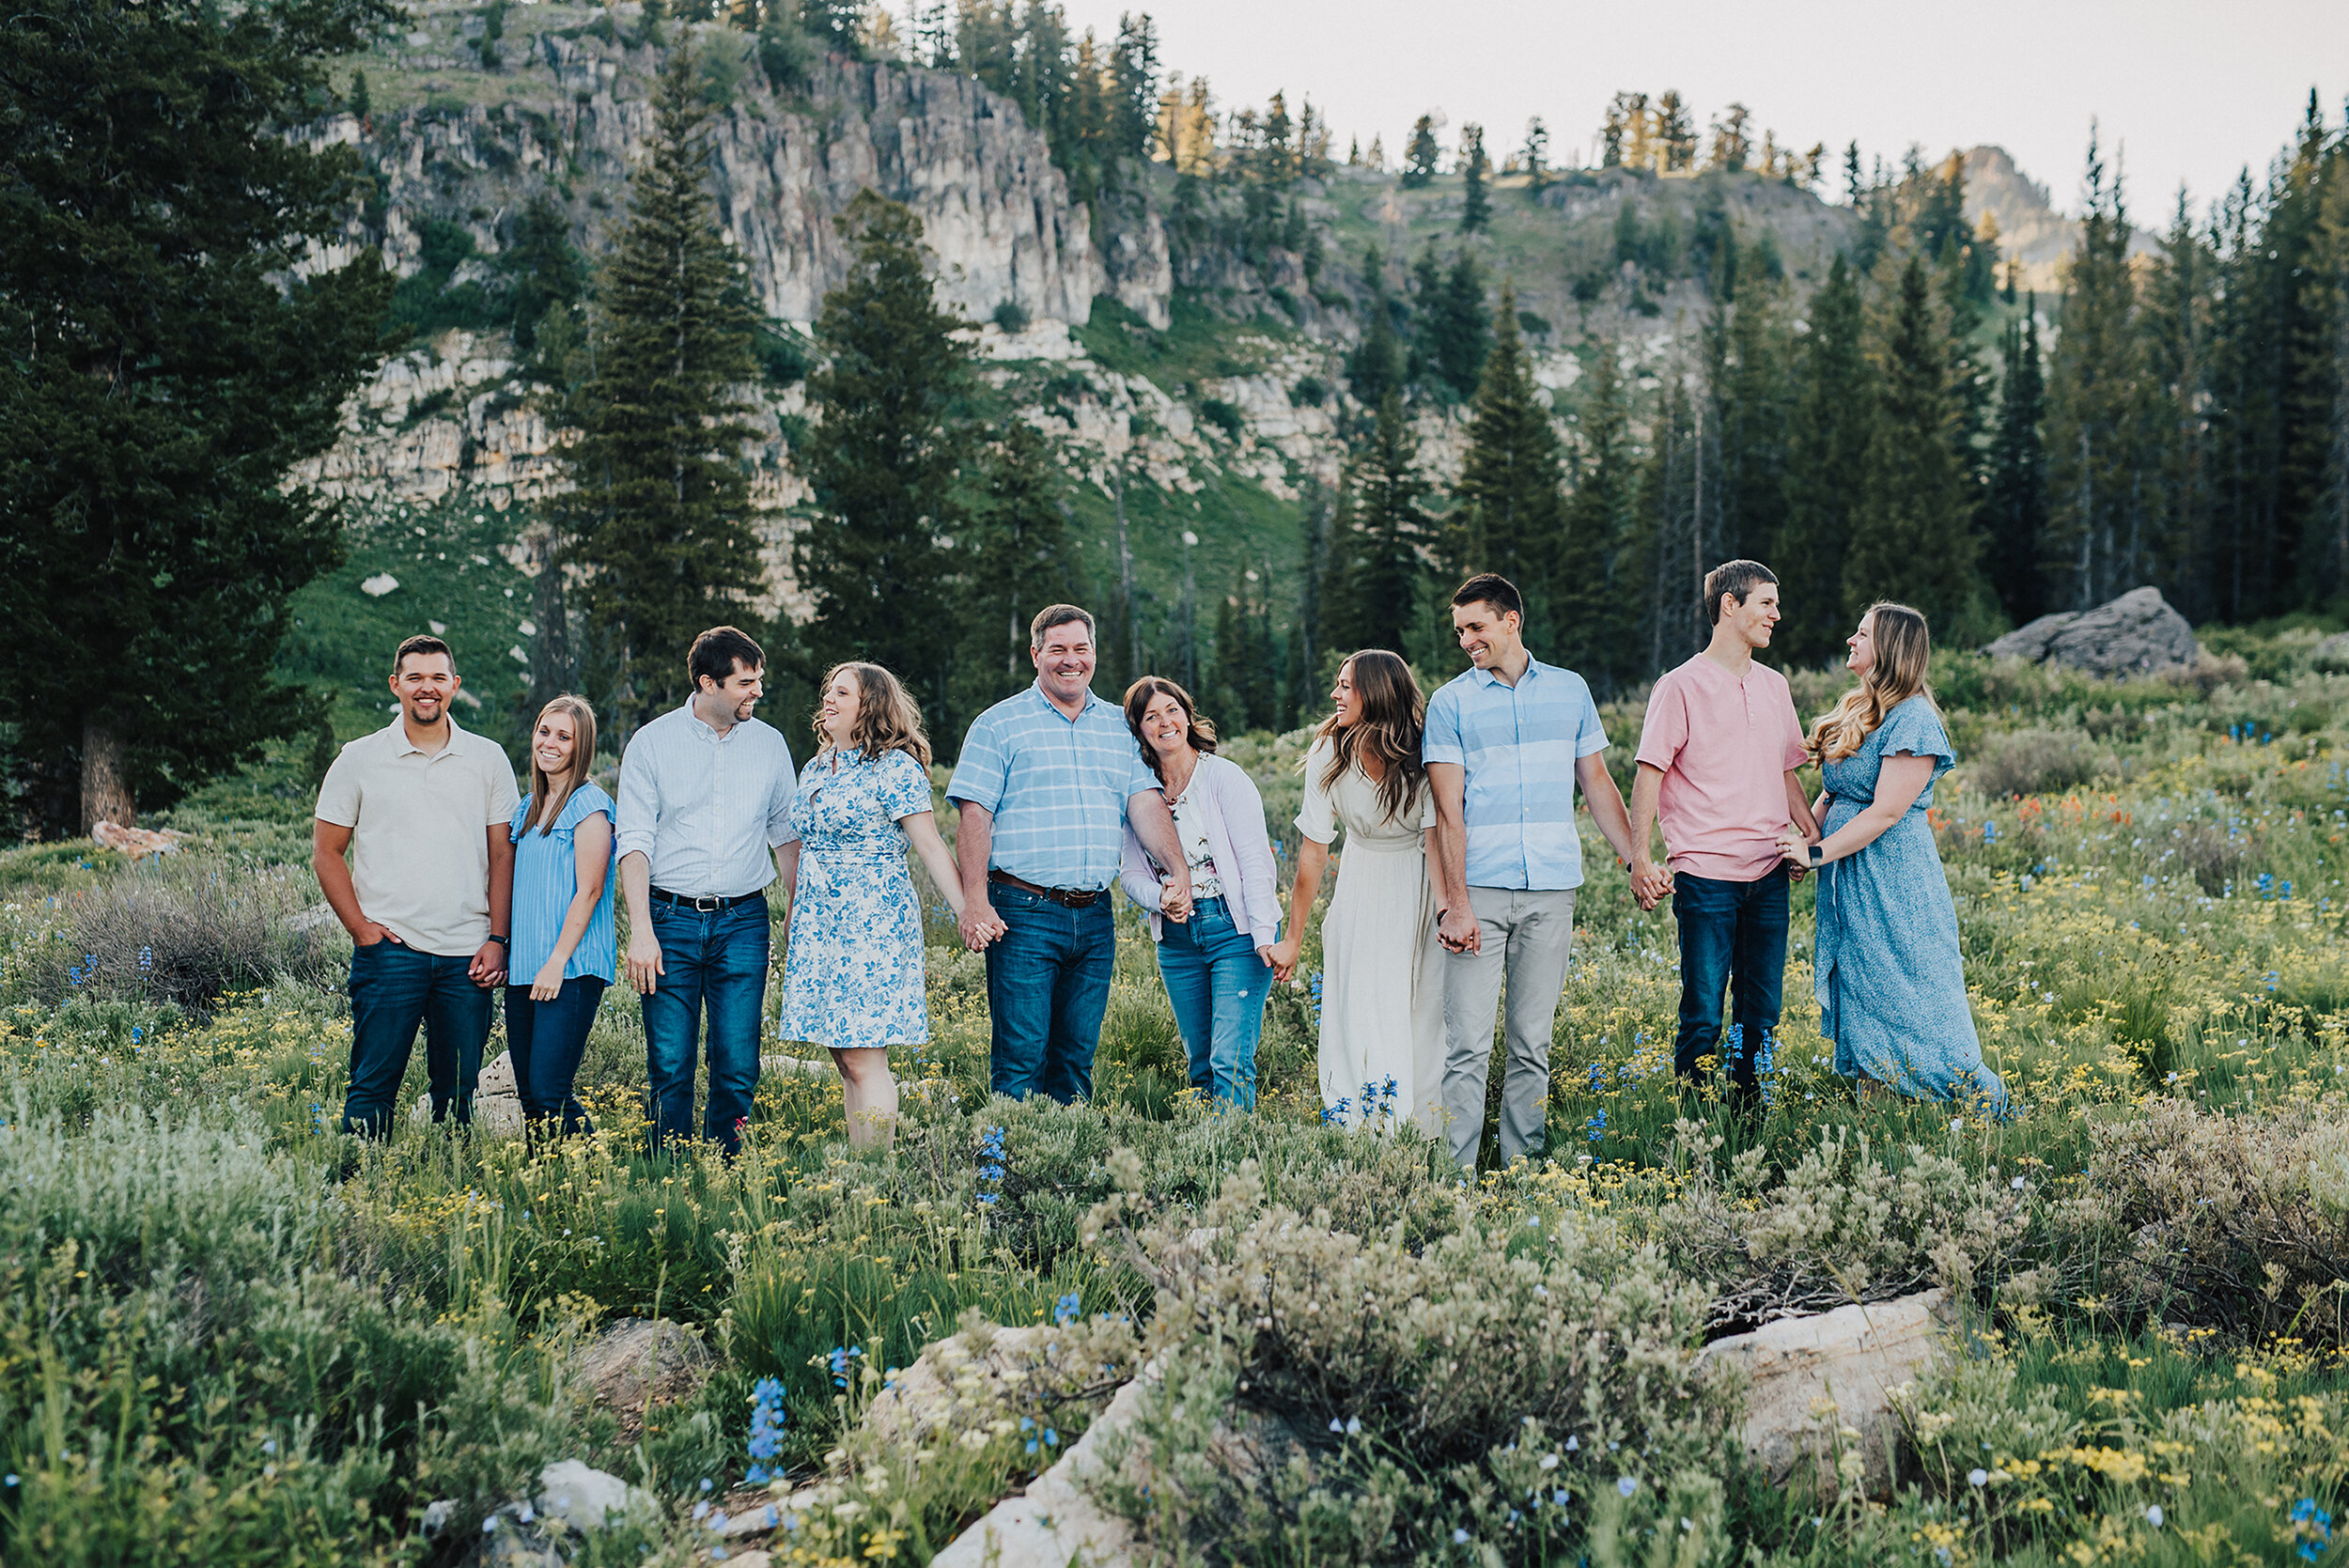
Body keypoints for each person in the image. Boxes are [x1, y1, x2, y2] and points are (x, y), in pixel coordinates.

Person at [1424, 573, 1639, 1173]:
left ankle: (1523, 1175)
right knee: (1467, 1045)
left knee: (1531, 1045)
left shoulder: (1570, 691)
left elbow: (1597, 783)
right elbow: (1447, 811)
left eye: (1477, 627)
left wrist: (1635, 859)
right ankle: (1455, 1178)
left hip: (1551, 888)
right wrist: (1457, 904)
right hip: (1480, 893)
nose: (1467, 639)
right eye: (1460, 630)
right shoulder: (1451, 703)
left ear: (1511, 621)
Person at [948, 604, 1190, 1104]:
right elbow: (974, 817)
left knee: (1076, 1060)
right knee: (1021, 1056)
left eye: (1081, 649)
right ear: (1035, 654)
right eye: (1057, 649)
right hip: (1022, 913)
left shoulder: (1117, 729)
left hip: (1095, 916)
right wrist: (975, 901)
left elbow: (1145, 805)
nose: (1070, 660)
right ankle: (1011, 1169)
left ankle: (1067, 1170)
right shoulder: (998, 725)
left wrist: (1179, 869)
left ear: (1094, 654)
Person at [1779, 603, 2008, 1113]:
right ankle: (1877, 1110)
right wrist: (1805, 841)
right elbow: (1835, 793)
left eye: (1862, 634)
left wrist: (1815, 853)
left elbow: (1883, 814)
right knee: (1862, 983)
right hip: (1848, 878)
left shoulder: (1915, 720)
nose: (1850, 641)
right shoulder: (1861, 709)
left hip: (1894, 882)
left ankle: (1976, 1105)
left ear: (1890, 648)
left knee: (1914, 994)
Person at [313, 634, 519, 1139]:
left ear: (454, 685)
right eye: (415, 678)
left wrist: (497, 940)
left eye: (437, 678)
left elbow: (502, 856)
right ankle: (358, 1186)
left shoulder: (488, 758)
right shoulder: (359, 758)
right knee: (372, 1085)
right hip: (390, 953)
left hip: (466, 957)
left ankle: (448, 1193)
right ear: (396, 685)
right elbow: (326, 853)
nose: (427, 688)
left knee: (458, 1092)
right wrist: (361, 929)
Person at [1631, 560, 1820, 1106]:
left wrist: (1811, 840)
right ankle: (1695, 1127)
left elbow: (1784, 771)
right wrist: (1640, 860)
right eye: (1766, 603)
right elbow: (1650, 772)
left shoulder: (1775, 685)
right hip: (1705, 876)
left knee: (1762, 1012)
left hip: (1769, 874)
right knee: (1705, 1012)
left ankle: (1747, 1126)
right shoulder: (1679, 686)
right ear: (1729, 606)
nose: (1776, 615)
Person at [615, 627, 799, 1156]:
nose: (756, 691)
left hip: (743, 921)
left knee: (738, 1062)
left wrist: (797, 908)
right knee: (671, 1064)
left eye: (758, 679)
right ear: (707, 683)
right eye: (745, 682)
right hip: (667, 920)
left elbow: (785, 833)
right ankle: (667, 1170)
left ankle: (727, 1168)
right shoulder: (652, 743)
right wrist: (641, 934)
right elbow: (634, 842)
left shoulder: (769, 744)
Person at [778, 662, 966, 1148]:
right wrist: (794, 911)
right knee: (844, 1057)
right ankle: (863, 1166)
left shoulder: (894, 766)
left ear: (870, 705)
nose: (829, 699)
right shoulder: (817, 767)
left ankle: (878, 1172)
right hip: (819, 924)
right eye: (829, 690)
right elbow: (803, 846)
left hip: (871, 923)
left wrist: (968, 910)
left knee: (864, 1057)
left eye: (843, 692)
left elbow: (929, 844)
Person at [1268, 650, 1448, 1134]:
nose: (1335, 694)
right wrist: (1294, 936)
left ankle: (1422, 1133)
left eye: (1346, 685)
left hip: (1420, 884)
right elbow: (1312, 852)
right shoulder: (1330, 749)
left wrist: (1449, 909)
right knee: (1358, 1004)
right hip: (1361, 880)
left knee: (1421, 1009)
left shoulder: (1424, 747)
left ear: (1377, 690)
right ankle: (1358, 1129)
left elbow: (1436, 838)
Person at [1118, 676, 1279, 1110]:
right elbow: (1131, 874)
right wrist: (1160, 898)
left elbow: (1255, 863)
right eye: (1151, 716)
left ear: (1188, 716)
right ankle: (1206, 1162)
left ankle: (1235, 1165)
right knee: (1201, 1065)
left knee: (1230, 1061)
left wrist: (1264, 933)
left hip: (1235, 930)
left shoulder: (1223, 777)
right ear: (1138, 730)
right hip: (1177, 938)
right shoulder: (1138, 793)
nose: (1165, 722)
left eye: (1172, 710)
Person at [503, 694, 615, 1140]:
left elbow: (588, 891)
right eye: (544, 732)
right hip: (523, 967)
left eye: (563, 736)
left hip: (568, 969)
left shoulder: (591, 806)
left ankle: (583, 1180)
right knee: (530, 1094)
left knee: (551, 1091)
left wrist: (556, 962)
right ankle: (546, 1187)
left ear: (581, 746)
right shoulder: (527, 807)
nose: (549, 743)